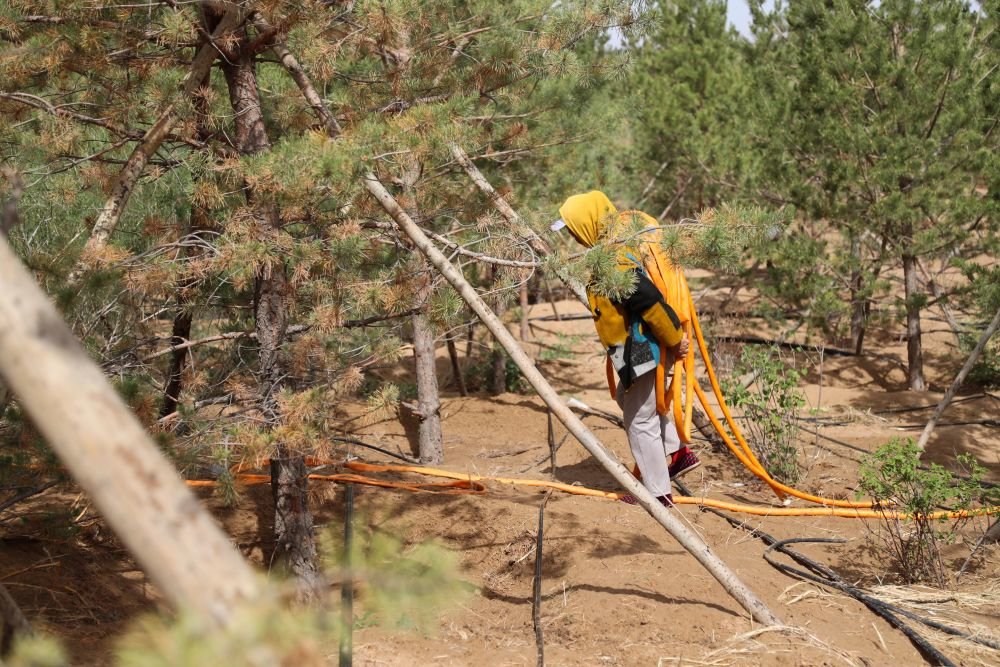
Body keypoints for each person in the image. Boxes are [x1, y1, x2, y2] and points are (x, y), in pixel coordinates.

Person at [552, 191, 700, 506]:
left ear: (588, 223)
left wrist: (675, 340)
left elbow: (649, 302)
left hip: (642, 345)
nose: (573, 237)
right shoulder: (607, 253)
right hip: (630, 349)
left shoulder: (615, 258)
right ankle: (675, 453)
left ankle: (656, 491)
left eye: (573, 229)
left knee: (639, 418)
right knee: (628, 398)